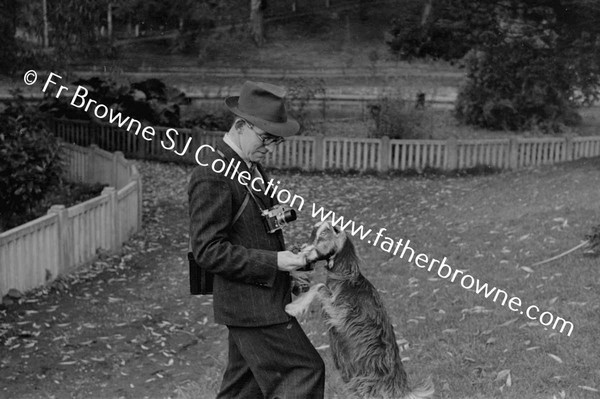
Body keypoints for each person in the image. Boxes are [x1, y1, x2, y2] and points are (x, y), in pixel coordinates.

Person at [188, 81, 325, 399]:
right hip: (251, 305)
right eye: (266, 139)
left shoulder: (249, 167)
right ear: (240, 126)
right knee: (303, 371)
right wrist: (275, 262)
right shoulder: (213, 174)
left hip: (258, 299)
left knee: (243, 391)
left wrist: (288, 265)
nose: (271, 149)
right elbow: (208, 250)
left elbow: (258, 230)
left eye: (276, 142)